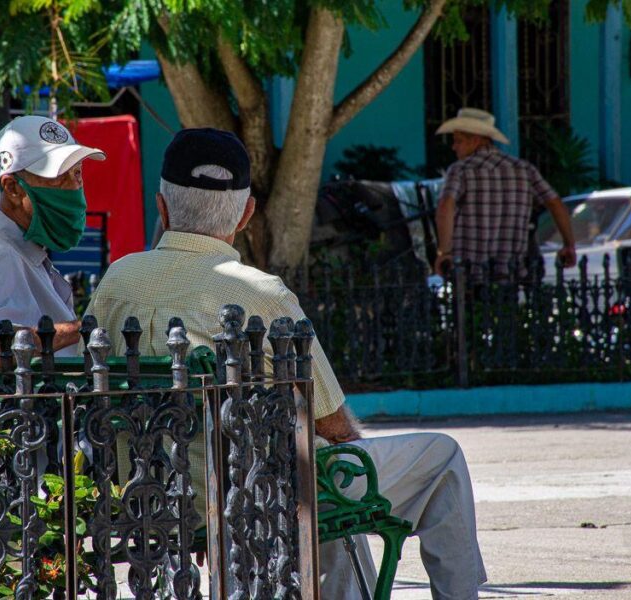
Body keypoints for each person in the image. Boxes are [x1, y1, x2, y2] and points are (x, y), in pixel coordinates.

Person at [85, 128, 487, 599]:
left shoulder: (117, 279)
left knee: (322, 483)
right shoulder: (260, 292)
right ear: (247, 212)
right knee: (437, 457)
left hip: (151, 492)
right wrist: (346, 453)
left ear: (162, 206)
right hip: (253, 493)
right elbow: (334, 424)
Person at [0, 115, 105, 369]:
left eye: (77, 173)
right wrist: (82, 330)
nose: (74, 187)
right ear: (13, 188)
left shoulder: (19, 249)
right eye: (59, 176)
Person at [433, 108, 577, 279]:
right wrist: (569, 244)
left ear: (476, 140)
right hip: (512, 270)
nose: (454, 147)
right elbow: (555, 203)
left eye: (458, 141)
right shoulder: (524, 168)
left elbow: (445, 205)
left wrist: (444, 251)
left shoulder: (460, 170)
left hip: (470, 272)